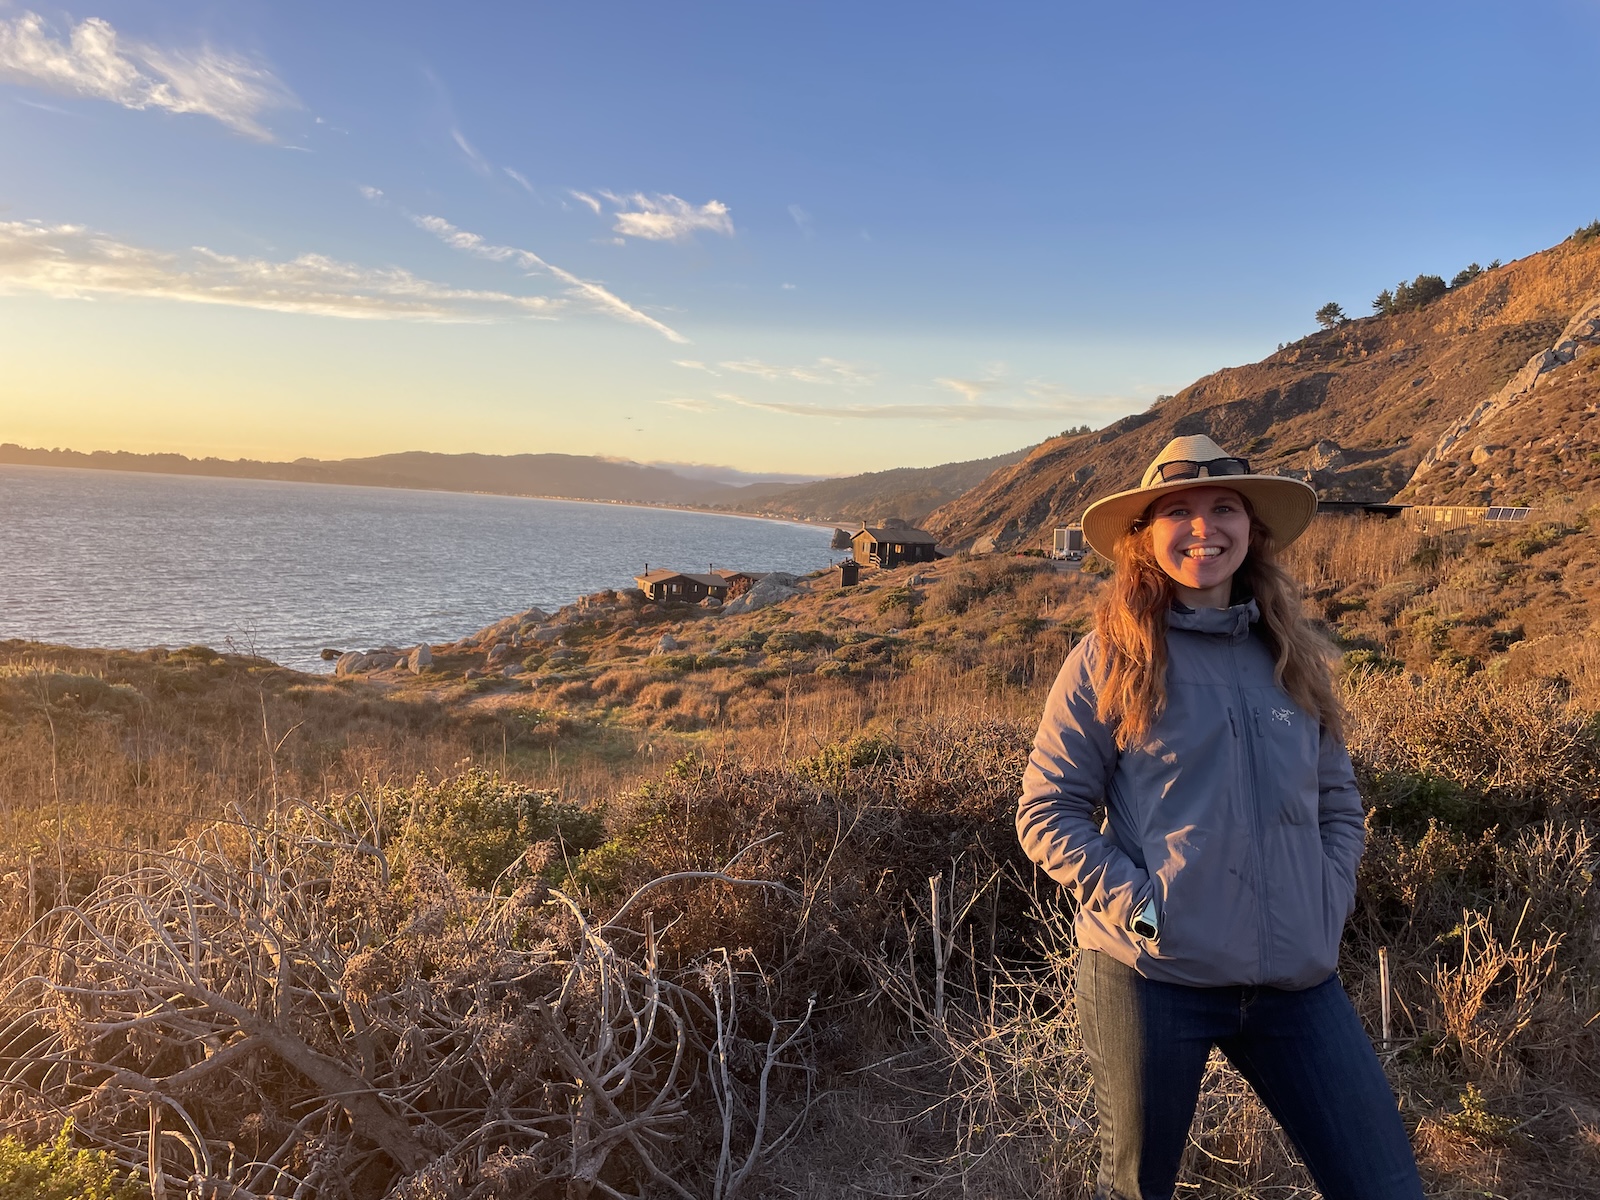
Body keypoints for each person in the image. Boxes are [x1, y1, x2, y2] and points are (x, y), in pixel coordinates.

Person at [1016, 434, 1424, 1200]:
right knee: (1139, 1188)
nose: (1204, 527)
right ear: (1145, 536)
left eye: (1224, 508)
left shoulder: (1292, 655)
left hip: (1296, 980)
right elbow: (1047, 811)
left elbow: (1338, 803)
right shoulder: (1110, 657)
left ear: (1252, 529)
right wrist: (1144, 912)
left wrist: (1323, 903)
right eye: (1180, 510)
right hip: (1152, 975)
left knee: (1384, 1186)